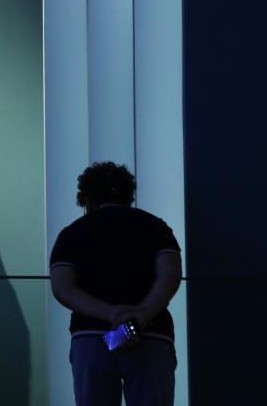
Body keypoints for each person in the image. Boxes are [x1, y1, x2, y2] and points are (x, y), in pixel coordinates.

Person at [49, 162, 182, 406]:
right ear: (129, 195)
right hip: (150, 333)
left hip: (92, 337)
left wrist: (110, 313)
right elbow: (170, 276)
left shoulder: (71, 234)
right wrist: (141, 316)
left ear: (87, 198)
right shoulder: (157, 227)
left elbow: (62, 288)